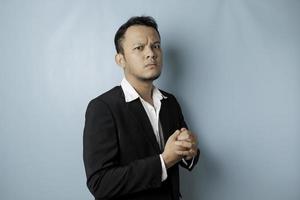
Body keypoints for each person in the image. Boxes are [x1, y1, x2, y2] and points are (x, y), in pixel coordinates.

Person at [83, 16, 200, 200]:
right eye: (139, 48)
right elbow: (100, 183)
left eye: (156, 46)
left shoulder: (171, 102)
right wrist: (164, 160)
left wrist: (189, 151)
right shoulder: (102, 108)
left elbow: (183, 156)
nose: (151, 53)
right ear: (120, 59)